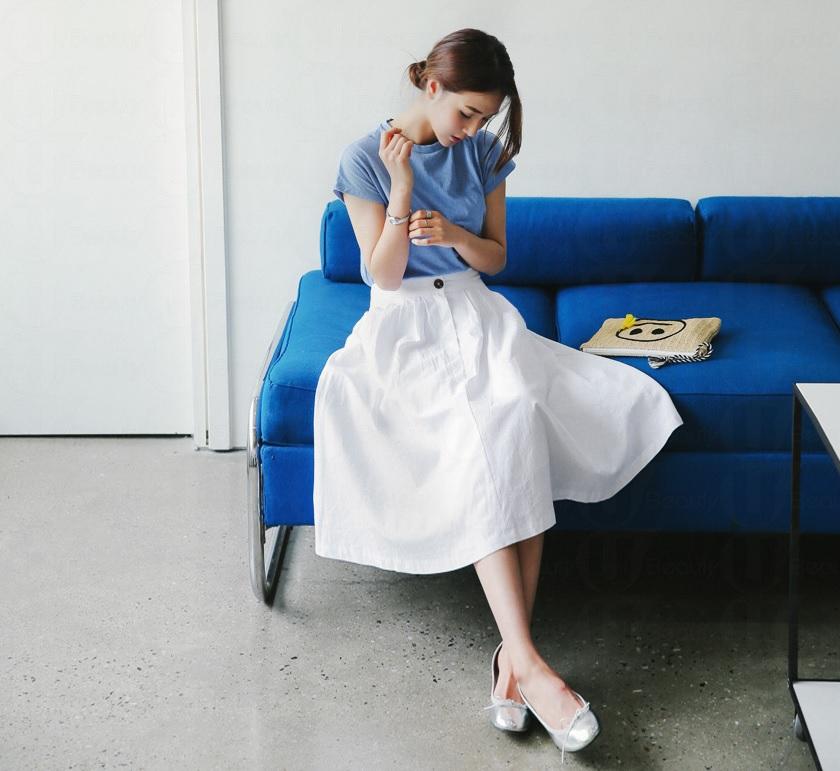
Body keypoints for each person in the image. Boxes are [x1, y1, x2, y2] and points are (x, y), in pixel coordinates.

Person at [314, 28, 684, 759]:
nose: (474, 128)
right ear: (432, 87)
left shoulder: (483, 153)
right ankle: (528, 666)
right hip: (405, 327)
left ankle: (515, 662)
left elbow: (496, 256)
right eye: (467, 112)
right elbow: (381, 275)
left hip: (476, 312)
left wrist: (454, 232)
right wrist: (402, 192)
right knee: (479, 433)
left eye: (485, 116)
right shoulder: (364, 157)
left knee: (517, 417)